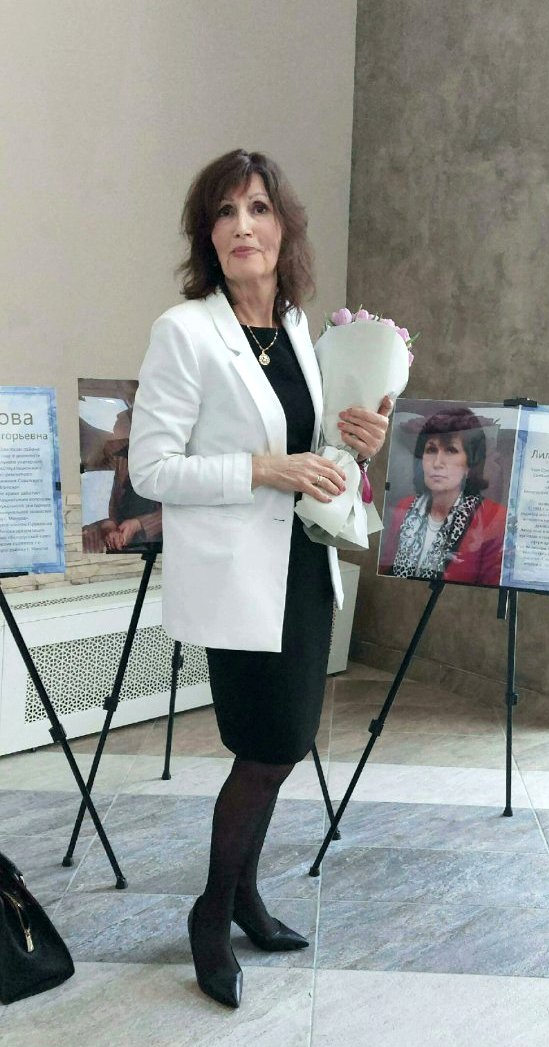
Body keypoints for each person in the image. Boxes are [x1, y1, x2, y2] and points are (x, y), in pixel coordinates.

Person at [128, 150, 390, 1009]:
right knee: (266, 747)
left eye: (260, 208)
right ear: (207, 235)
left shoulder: (300, 328)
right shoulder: (184, 331)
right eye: (226, 211)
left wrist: (359, 442)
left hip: (304, 567)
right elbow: (152, 467)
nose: (244, 225)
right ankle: (211, 911)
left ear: (284, 228)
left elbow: (319, 454)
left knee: (285, 746)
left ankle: (243, 896)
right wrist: (263, 469)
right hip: (239, 578)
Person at [379, 407, 506, 585]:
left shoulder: (495, 518)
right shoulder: (404, 507)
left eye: (451, 450)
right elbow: (384, 574)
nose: (437, 463)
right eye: (431, 450)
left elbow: (487, 595)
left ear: (470, 463)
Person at [82, 408, 162, 553]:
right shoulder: (116, 454)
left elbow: (179, 509)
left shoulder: (170, 458)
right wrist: (110, 528)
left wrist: (138, 524)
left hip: (160, 545)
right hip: (120, 538)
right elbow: (103, 496)